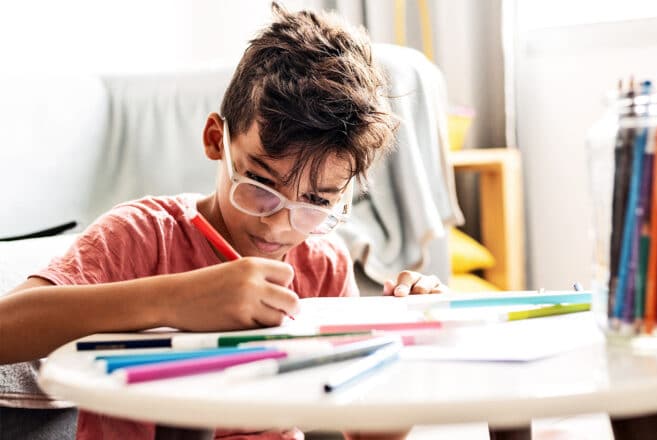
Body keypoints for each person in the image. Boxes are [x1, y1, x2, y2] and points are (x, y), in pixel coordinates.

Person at [0, 3, 447, 439]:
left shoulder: (323, 263)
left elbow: (369, 431)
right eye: (259, 183)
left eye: (315, 201)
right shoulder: (142, 236)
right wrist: (175, 301)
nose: (277, 226)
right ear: (217, 140)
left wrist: (405, 344)